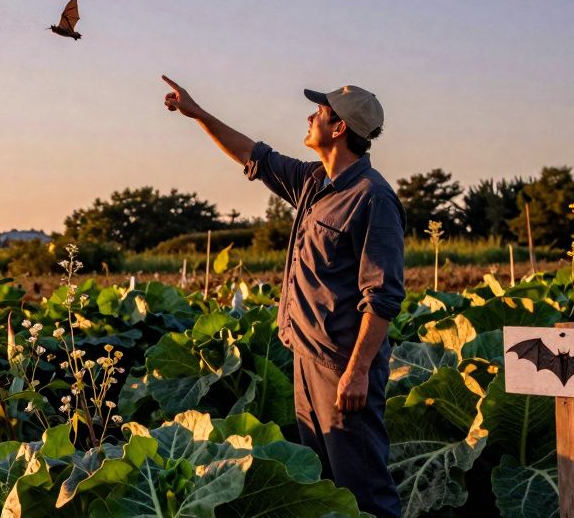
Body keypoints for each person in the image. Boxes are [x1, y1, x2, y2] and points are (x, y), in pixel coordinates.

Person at [161, 75, 404, 518]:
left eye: (320, 112)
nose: (310, 116)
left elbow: (381, 297)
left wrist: (357, 372)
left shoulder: (373, 198)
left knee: (365, 491)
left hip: (342, 366)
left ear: (339, 129)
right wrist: (196, 113)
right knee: (328, 490)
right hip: (305, 357)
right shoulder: (313, 183)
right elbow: (254, 154)